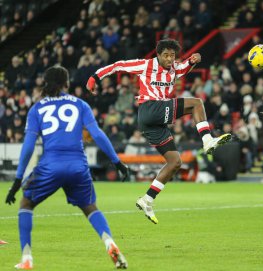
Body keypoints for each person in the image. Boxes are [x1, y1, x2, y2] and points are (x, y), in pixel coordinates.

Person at [86, 39, 231, 224]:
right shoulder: (145, 65)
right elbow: (118, 65)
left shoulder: (174, 68)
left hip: (151, 124)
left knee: (175, 162)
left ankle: (147, 199)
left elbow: (183, 67)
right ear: (158, 55)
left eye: (172, 55)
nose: (170, 59)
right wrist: (94, 77)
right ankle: (207, 139)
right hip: (150, 108)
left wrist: (193, 60)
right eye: (166, 55)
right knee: (196, 103)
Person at [5, 67, 129, 269]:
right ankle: (110, 243)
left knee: (26, 204)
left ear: (45, 83)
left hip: (50, 166)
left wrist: (18, 180)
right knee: (90, 207)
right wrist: (117, 162)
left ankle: (27, 258)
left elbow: (28, 146)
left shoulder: (37, 109)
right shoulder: (81, 104)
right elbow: (97, 134)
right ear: (67, 83)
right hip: (78, 166)